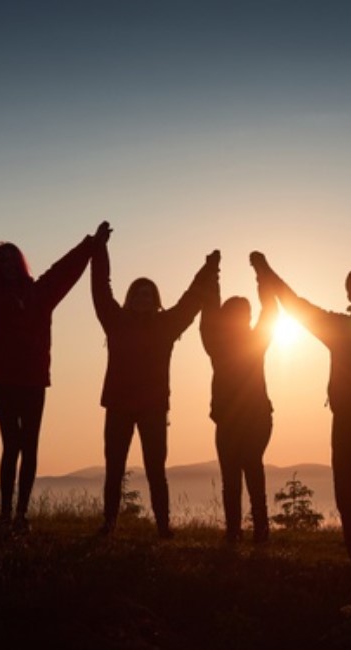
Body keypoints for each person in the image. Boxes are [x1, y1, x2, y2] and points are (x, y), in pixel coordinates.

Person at [251, 207, 351, 561]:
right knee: (347, 487)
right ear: (349, 293)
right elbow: (296, 305)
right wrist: (265, 271)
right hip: (346, 416)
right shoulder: (338, 328)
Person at [0, 197, 94, 533]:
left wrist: (89, 245)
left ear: (19, 262)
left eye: (11, 257)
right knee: (12, 445)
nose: (6, 262)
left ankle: (22, 515)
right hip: (4, 380)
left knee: (30, 445)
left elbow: (64, 272)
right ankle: (5, 514)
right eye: (1, 258)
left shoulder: (40, 293)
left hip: (34, 381)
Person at [91, 221, 219, 538]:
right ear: (130, 298)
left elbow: (191, 300)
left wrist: (208, 269)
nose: (144, 298)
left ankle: (164, 528)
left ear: (156, 299)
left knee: (155, 471)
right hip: (118, 406)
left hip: (152, 408)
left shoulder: (167, 325)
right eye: (139, 293)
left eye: (149, 294)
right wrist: (100, 247)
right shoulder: (115, 321)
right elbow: (100, 287)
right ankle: (109, 525)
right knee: (114, 470)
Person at [200, 253, 277, 544]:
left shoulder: (254, 342)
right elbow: (209, 312)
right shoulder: (217, 345)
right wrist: (213, 273)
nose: (242, 318)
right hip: (230, 419)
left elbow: (270, 311)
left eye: (244, 314)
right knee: (233, 476)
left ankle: (257, 530)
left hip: (256, 418)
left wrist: (261, 272)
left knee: (250, 469)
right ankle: (238, 530)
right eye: (237, 314)